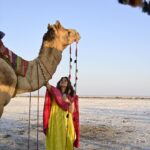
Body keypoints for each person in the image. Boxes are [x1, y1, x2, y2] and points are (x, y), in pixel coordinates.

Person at [43, 76, 80, 150]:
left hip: (66, 122)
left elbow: (71, 111)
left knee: (66, 139)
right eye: (61, 80)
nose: (63, 81)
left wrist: (68, 101)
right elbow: (46, 83)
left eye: (65, 80)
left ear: (68, 83)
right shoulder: (55, 92)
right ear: (59, 83)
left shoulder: (71, 96)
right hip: (55, 121)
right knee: (55, 138)